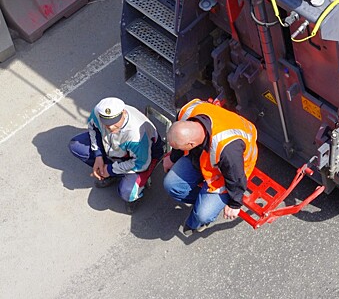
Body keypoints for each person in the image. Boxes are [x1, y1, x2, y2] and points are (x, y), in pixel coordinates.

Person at [163, 98, 258, 235]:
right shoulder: (186, 113)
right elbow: (179, 136)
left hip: (228, 171)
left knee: (203, 215)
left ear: (190, 145)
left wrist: (235, 204)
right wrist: (172, 158)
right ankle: (204, 203)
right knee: (171, 185)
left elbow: (236, 178)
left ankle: (197, 221)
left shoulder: (228, 149)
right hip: (202, 156)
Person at [69, 97, 165, 213]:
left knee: (128, 192)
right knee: (76, 146)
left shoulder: (136, 135)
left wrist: (110, 169)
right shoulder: (98, 113)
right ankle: (113, 172)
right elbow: (93, 129)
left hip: (143, 157)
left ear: (123, 113)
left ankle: (133, 196)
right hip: (117, 149)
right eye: (106, 124)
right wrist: (98, 155)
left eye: (115, 123)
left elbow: (141, 163)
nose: (110, 128)